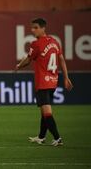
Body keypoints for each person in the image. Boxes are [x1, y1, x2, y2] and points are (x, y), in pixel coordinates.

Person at [16, 18, 73, 146]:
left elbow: (28, 60)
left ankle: (57, 138)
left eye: (36, 27)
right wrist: (66, 77)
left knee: (47, 113)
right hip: (53, 82)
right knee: (44, 111)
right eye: (32, 28)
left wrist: (19, 65)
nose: (33, 30)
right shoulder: (54, 42)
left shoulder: (36, 44)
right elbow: (61, 59)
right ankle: (41, 137)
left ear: (43, 28)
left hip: (42, 82)